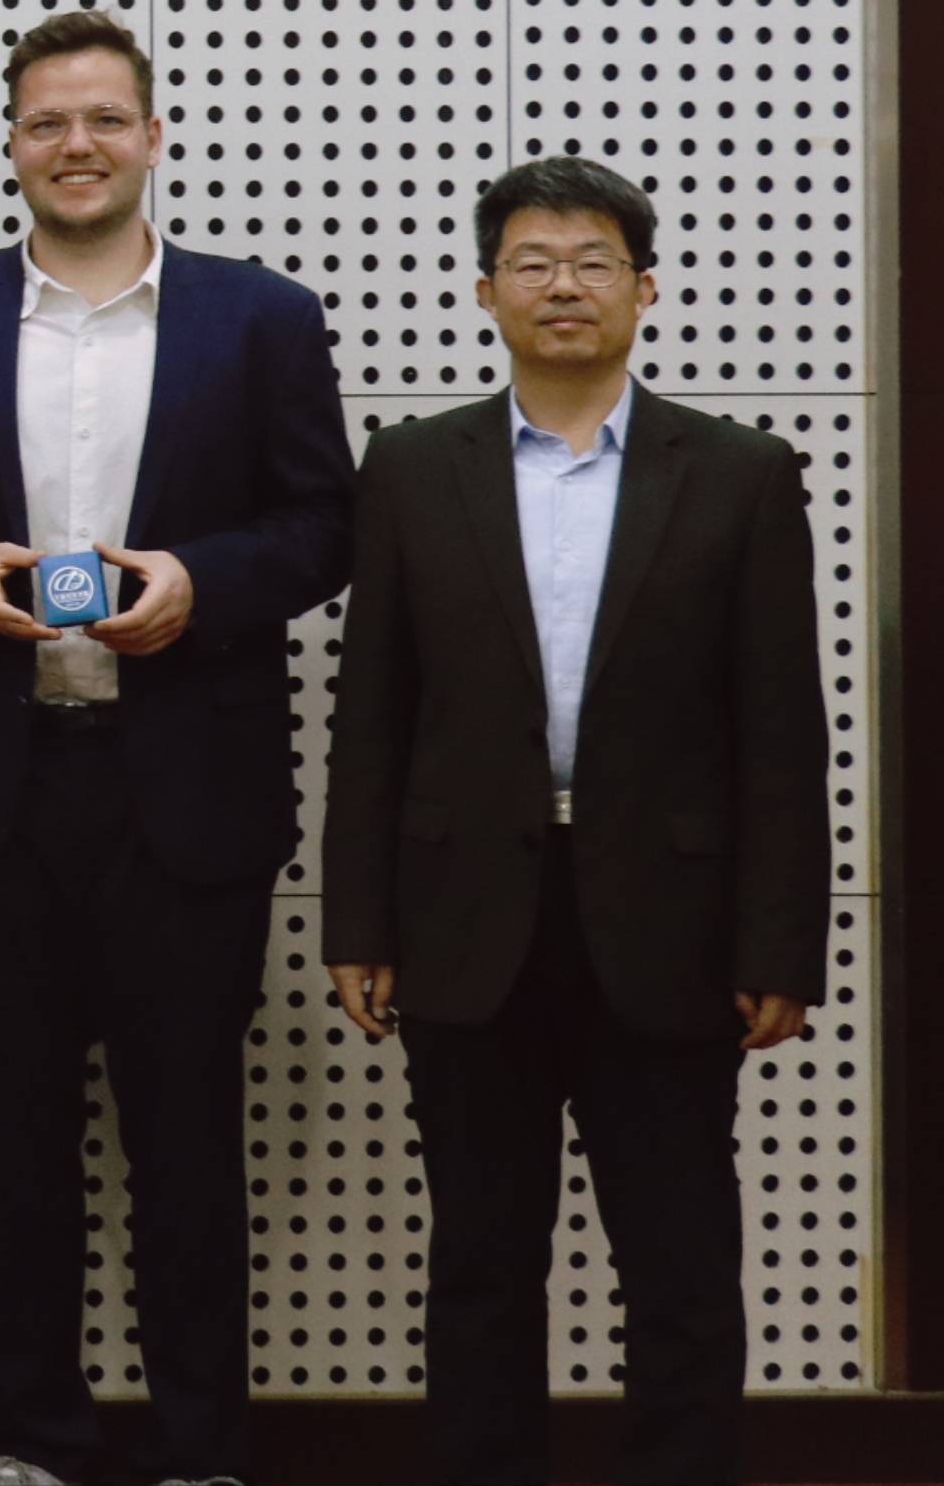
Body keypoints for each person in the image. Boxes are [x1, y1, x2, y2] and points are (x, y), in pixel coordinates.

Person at [0, 10, 353, 1486]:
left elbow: (321, 525)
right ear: (10, 145)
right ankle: (32, 1445)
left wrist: (201, 585)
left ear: (149, 136)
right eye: (45, 123)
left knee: (187, 1140)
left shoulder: (258, 318)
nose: (74, 145)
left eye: (101, 120)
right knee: (8, 1141)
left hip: (183, 794)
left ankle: (198, 1452)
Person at [326, 156, 826, 1486]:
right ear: (483, 291)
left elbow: (780, 733)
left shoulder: (735, 473)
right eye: (532, 263)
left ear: (641, 290)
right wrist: (356, 920)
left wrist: (778, 946)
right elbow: (371, 712)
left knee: (678, 1265)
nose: (562, 285)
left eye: (593, 261)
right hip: (461, 920)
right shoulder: (410, 467)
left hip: (669, 927)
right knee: (479, 1265)